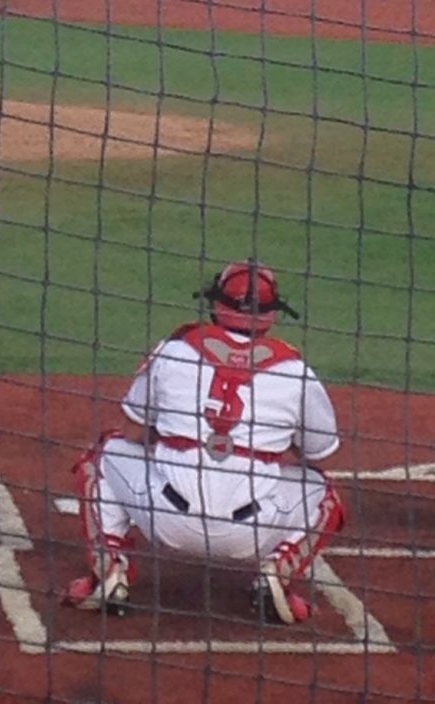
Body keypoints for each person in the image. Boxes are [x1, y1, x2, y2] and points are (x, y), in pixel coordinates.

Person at [63, 260, 345, 624]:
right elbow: (319, 453)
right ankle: (279, 570)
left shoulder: (173, 350)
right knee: (322, 492)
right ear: (271, 314)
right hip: (251, 529)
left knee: (103, 455)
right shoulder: (295, 372)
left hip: (165, 517)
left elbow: (132, 432)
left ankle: (108, 568)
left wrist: (176, 434)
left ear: (216, 305)